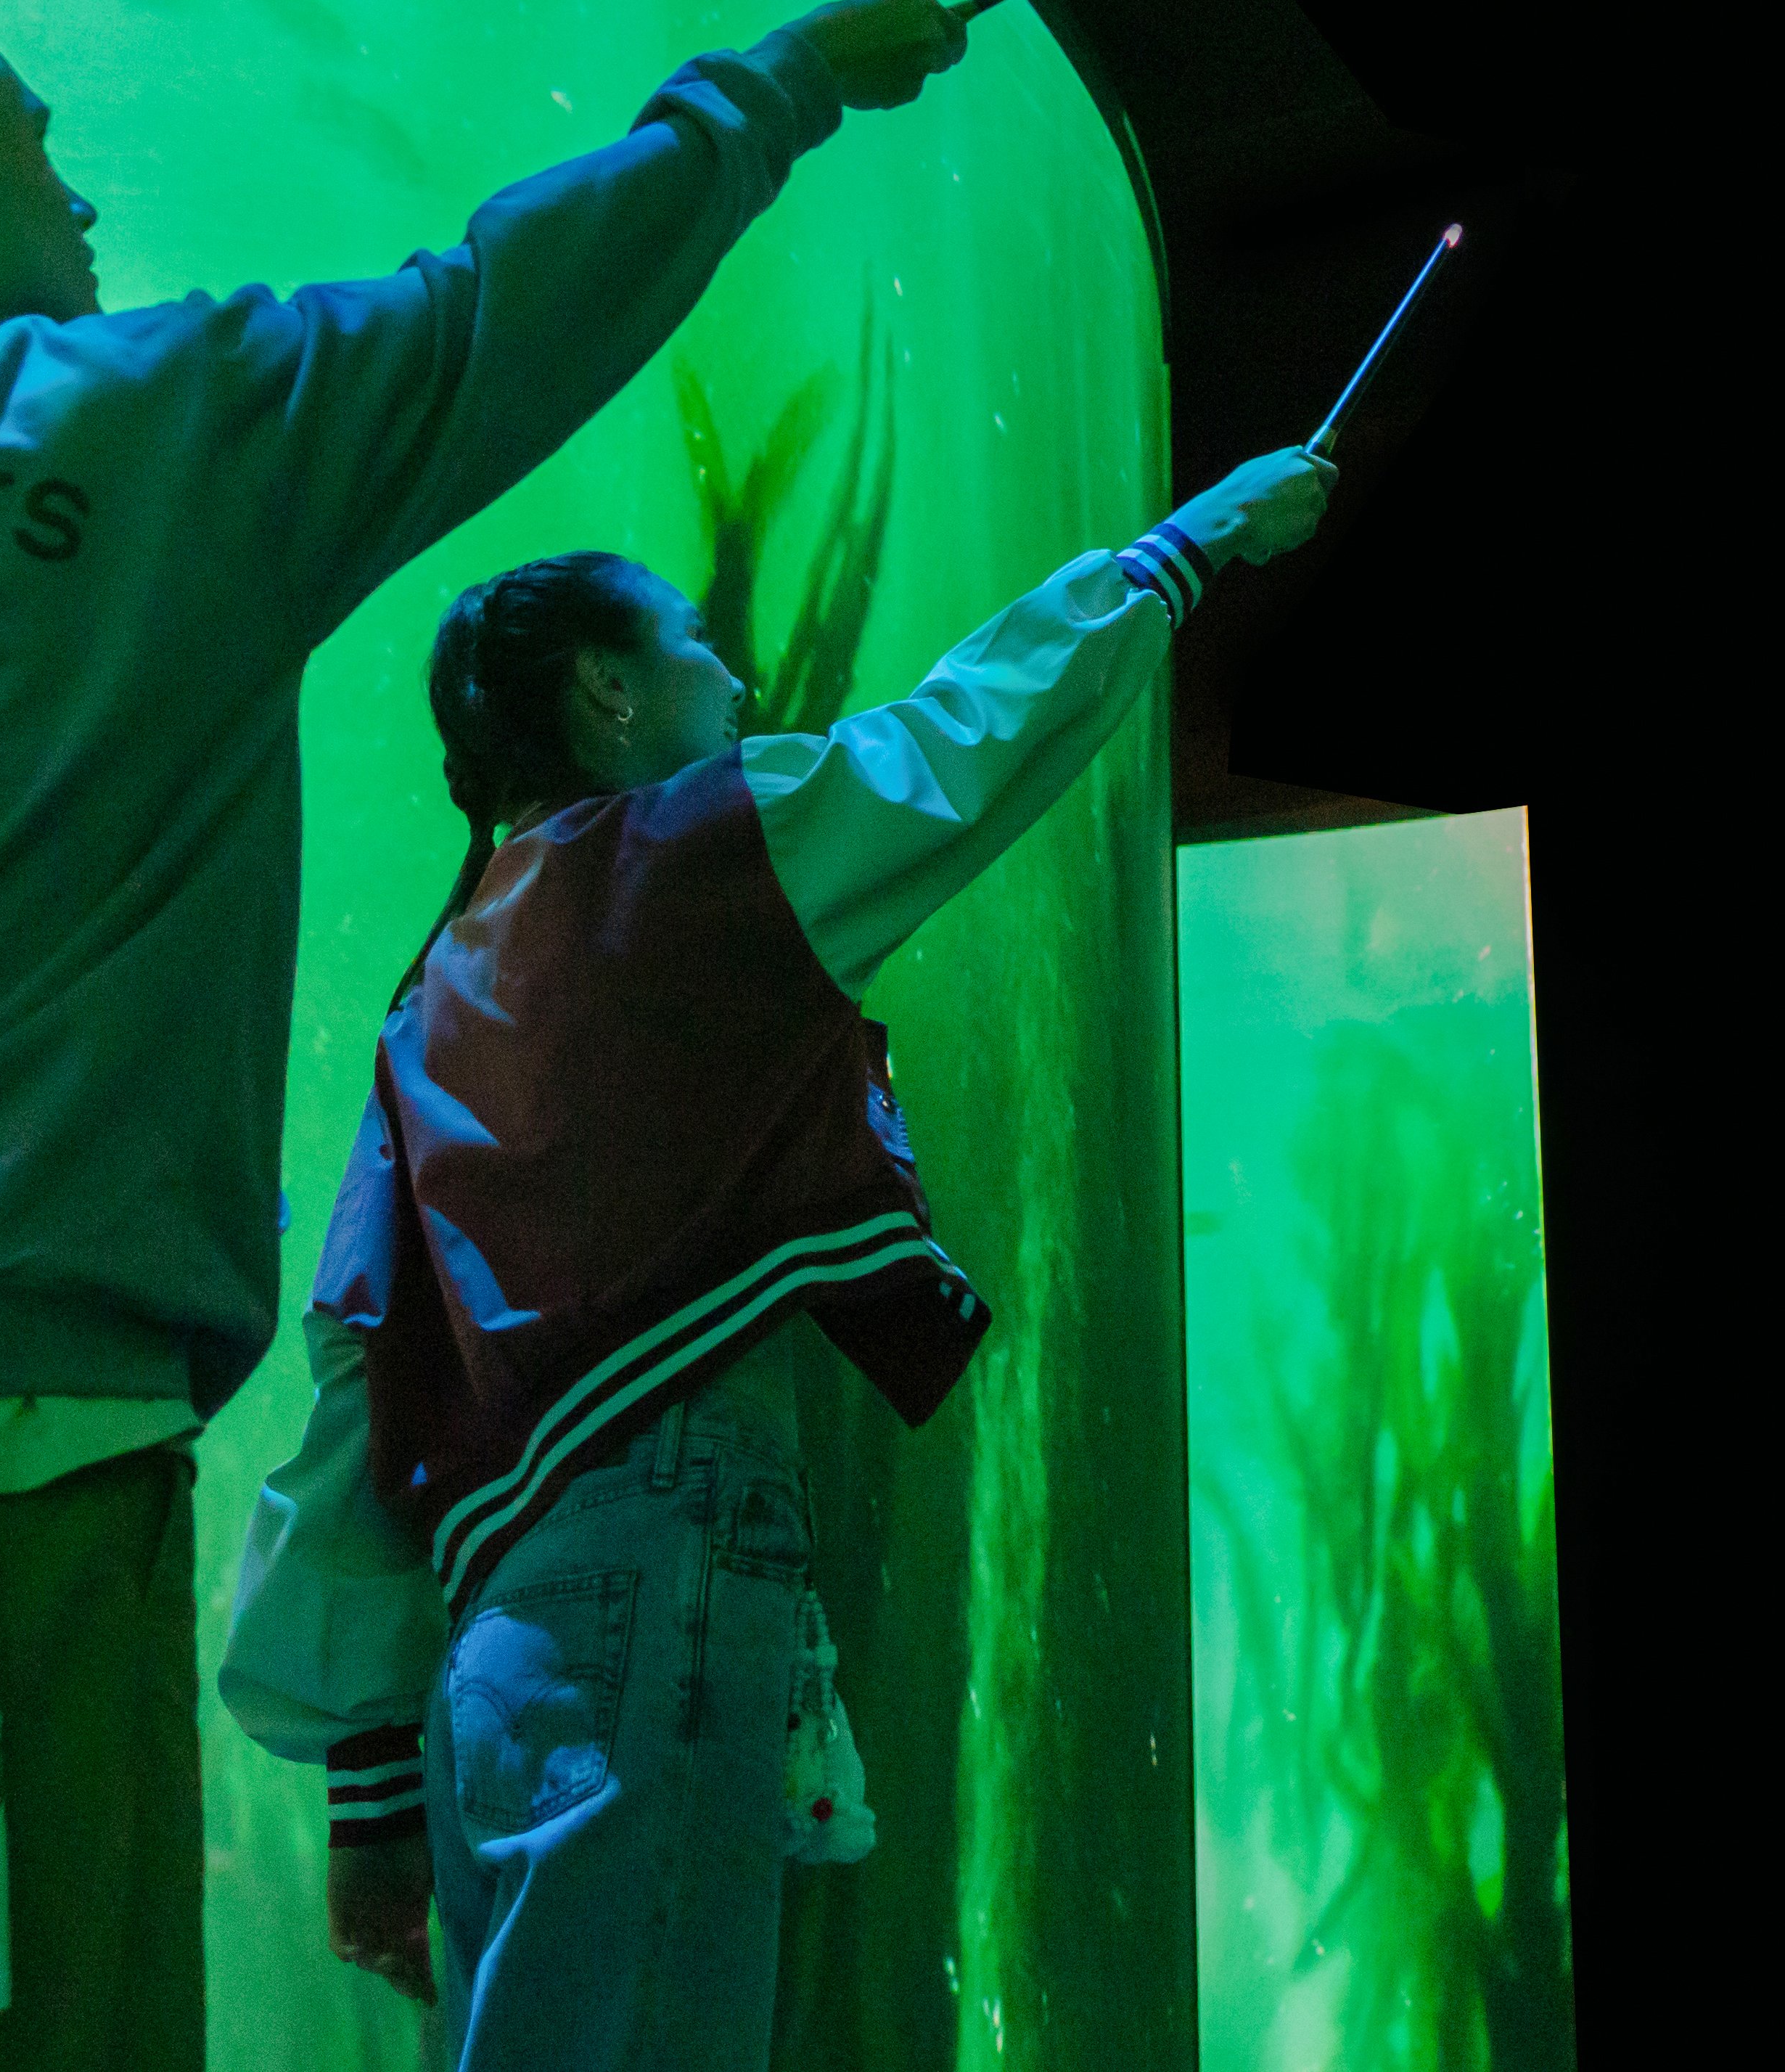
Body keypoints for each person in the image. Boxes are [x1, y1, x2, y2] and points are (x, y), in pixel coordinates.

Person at [0, 0, 964, 2070]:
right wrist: (774, 90)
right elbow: (495, 312)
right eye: (34, 130)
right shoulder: (135, 429)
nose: (77, 184)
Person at [217, 443, 1342, 2060]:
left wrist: (370, 1782)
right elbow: (955, 745)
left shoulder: (427, 1001)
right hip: (657, 1560)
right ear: (608, 696)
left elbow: (358, 1377)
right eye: (691, 644)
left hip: (497, 1643)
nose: (734, 674)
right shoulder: (689, 858)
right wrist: (1181, 550)